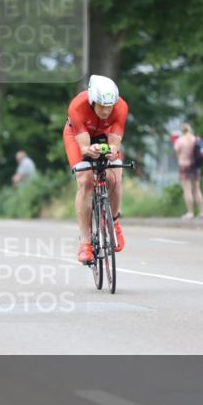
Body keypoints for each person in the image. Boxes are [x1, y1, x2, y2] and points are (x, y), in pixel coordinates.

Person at [63, 74, 128, 263]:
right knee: (85, 181)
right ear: (92, 100)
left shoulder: (121, 107)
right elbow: (83, 147)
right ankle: (85, 243)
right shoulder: (77, 105)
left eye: (110, 106)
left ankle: (114, 221)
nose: (106, 110)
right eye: (101, 105)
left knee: (115, 177)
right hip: (78, 135)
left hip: (105, 136)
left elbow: (115, 142)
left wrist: (113, 151)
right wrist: (87, 150)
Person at [174, 123, 203, 219]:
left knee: (187, 190)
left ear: (182, 131)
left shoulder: (180, 140)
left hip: (184, 167)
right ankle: (201, 212)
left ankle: (190, 213)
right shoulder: (196, 139)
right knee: (197, 189)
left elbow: (177, 153)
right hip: (195, 166)